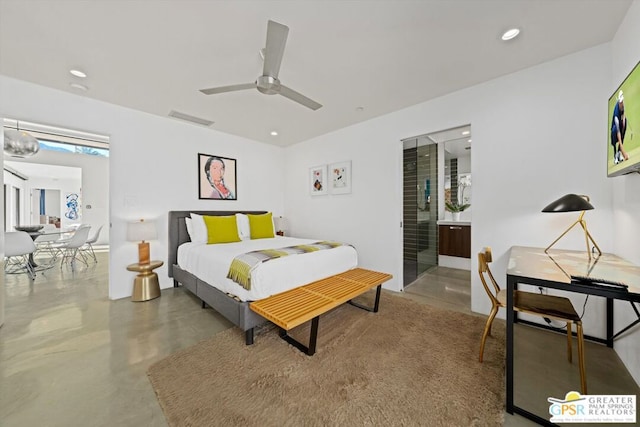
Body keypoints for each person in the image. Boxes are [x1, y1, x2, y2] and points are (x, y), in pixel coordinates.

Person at [611, 90, 629, 165]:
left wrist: (624, 122)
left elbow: (623, 114)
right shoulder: (616, 115)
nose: (622, 104)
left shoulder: (622, 105)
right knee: (615, 130)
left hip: (620, 125)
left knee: (625, 122)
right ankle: (615, 156)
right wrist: (624, 151)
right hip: (615, 129)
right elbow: (618, 131)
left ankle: (618, 154)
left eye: (622, 102)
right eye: (620, 102)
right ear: (618, 102)